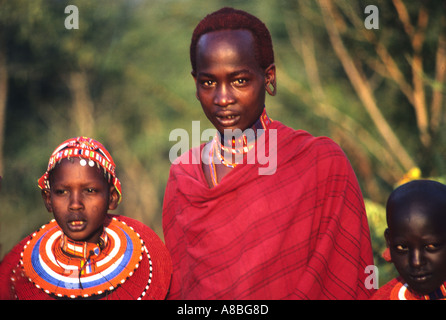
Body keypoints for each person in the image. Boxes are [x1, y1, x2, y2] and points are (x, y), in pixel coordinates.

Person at [162, 7, 374, 299]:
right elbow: (181, 289)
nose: (223, 98)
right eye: (208, 82)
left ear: (269, 77)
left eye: (239, 80)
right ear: (195, 85)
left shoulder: (320, 163)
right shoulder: (184, 177)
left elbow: (348, 277)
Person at [0, 136, 172, 300]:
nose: (75, 204)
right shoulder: (16, 275)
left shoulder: (148, 262)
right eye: (62, 192)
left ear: (111, 197)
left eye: (90, 191)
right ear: (48, 200)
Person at [371, 180, 446, 300]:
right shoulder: (385, 297)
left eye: (431, 246)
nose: (416, 262)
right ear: (389, 241)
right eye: (402, 248)